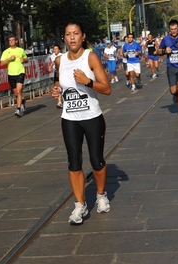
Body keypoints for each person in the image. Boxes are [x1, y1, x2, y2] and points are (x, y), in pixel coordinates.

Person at [49, 21, 112, 225]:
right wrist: (56, 90)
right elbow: (59, 81)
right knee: (73, 161)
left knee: (96, 160)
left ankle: (101, 195)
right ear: (64, 38)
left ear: (83, 36)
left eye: (76, 33)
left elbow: (107, 89)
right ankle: (80, 204)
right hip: (70, 119)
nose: (72, 37)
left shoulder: (90, 57)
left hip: (92, 117)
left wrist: (88, 82)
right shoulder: (60, 60)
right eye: (68, 34)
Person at [0, 35, 28, 117]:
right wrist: (9, 59)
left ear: (16, 41)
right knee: (16, 93)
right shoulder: (6, 52)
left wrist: (24, 60)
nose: (11, 41)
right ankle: (22, 101)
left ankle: (18, 109)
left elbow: (26, 59)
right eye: (10, 40)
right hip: (11, 74)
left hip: (20, 72)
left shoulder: (20, 50)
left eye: (13, 40)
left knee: (19, 91)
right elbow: (1, 63)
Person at [49, 44, 63, 108]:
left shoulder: (62, 55)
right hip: (56, 72)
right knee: (57, 87)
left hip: (62, 72)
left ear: (59, 50)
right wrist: (50, 66)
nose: (55, 50)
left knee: (62, 86)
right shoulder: (52, 56)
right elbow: (53, 62)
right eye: (54, 49)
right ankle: (59, 102)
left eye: (56, 49)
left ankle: (64, 100)